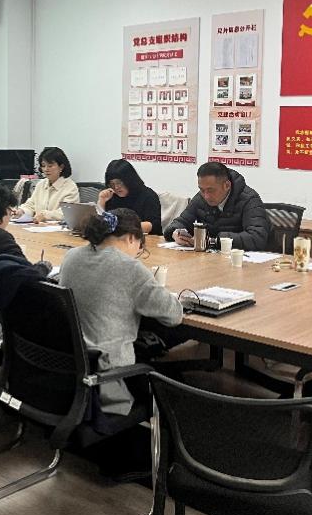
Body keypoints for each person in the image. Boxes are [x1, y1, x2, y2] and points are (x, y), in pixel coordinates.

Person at [59, 208, 183, 416]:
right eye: (140, 247)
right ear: (132, 238)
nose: (137, 253)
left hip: (68, 366)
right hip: (108, 378)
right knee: (173, 374)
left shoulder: (72, 256)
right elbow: (174, 315)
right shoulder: (130, 268)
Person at [163, 161, 270, 251]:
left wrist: (213, 241)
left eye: (211, 190)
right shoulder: (200, 197)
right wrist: (175, 233)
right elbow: (180, 222)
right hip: (211, 258)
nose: (206, 196)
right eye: (202, 190)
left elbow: (257, 238)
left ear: (227, 185)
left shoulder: (249, 199)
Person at [97, 159, 162, 235]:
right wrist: (101, 201)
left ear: (129, 180)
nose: (116, 187)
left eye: (119, 182)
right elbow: (101, 224)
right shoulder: (111, 195)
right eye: (112, 184)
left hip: (144, 238)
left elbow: (154, 225)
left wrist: (122, 227)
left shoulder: (148, 196)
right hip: (116, 239)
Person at [15, 147, 79, 223]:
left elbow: (66, 213)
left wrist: (45, 215)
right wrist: (22, 211)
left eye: (50, 166)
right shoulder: (41, 184)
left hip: (57, 228)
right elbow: (31, 205)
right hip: (38, 226)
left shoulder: (70, 187)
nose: (46, 169)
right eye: (43, 166)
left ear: (61, 167)